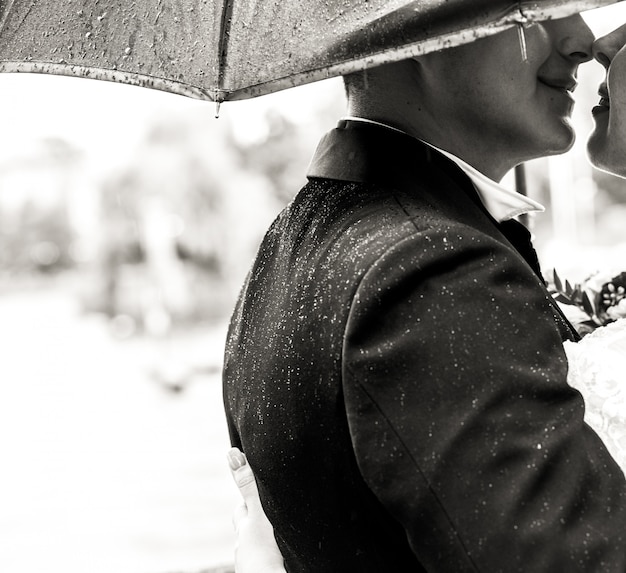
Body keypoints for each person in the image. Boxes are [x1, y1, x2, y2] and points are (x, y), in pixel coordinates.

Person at [223, 13, 626, 572]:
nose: (582, 40)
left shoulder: (298, 235)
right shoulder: (433, 270)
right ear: (417, 24)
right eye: (535, 8)